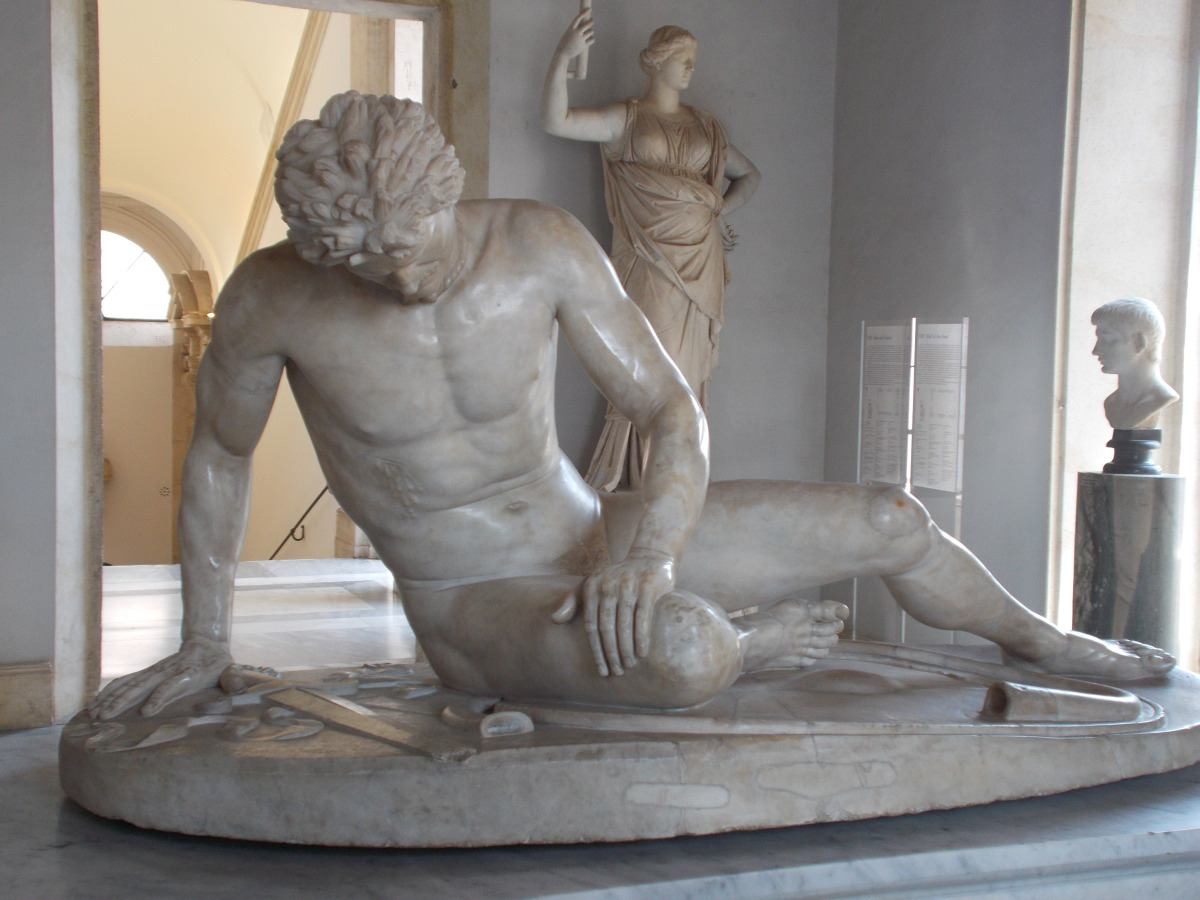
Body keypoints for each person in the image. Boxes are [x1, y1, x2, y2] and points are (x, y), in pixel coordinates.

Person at [90, 93, 1172, 722]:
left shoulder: (537, 245)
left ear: (441, 194)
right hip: (471, 600)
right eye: (362, 264)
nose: (396, 277)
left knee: (888, 516)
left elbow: (668, 410)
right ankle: (749, 645)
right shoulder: (274, 298)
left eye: (408, 246)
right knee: (691, 653)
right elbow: (220, 456)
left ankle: (1041, 641)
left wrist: (648, 555)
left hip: (592, 532)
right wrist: (206, 638)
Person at [541, 12, 761, 490]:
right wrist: (563, 57)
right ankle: (638, 481)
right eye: (683, 58)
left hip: (699, 262)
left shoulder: (706, 127)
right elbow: (557, 120)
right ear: (656, 62)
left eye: (694, 60)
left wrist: (713, 210)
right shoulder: (628, 118)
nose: (691, 68)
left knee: (688, 374)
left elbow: (750, 175)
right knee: (648, 366)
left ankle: (677, 480)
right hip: (648, 258)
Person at [1091, 298, 1179, 430]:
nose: (1095, 351)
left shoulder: (1161, 398)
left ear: (1139, 343)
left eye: (1107, 339)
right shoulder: (1111, 403)